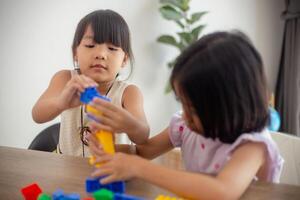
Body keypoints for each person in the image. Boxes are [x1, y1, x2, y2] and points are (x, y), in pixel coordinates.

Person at [87, 31, 284, 199]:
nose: (186, 115)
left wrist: (138, 167)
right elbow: (142, 152)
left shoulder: (252, 146)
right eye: (184, 104)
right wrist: (110, 151)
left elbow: (222, 192)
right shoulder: (185, 125)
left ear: (231, 107)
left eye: (194, 109)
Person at [32, 9, 149, 157]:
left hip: (111, 170)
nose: (100, 54)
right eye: (90, 46)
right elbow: (37, 115)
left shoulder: (129, 93)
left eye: (112, 48)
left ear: (124, 59)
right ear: (75, 53)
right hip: (65, 166)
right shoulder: (65, 79)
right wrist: (61, 103)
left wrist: (128, 123)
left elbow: (143, 135)